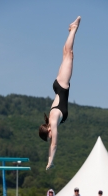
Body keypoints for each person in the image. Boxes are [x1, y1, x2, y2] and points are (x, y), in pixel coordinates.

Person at [39, 16, 81, 170]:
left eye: (49, 135)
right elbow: (51, 144)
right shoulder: (52, 121)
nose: (52, 137)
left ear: (48, 130)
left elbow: (55, 143)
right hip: (58, 86)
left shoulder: (54, 121)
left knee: (68, 53)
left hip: (62, 85)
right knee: (67, 54)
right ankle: (71, 30)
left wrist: (51, 161)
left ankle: (74, 28)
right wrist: (49, 161)